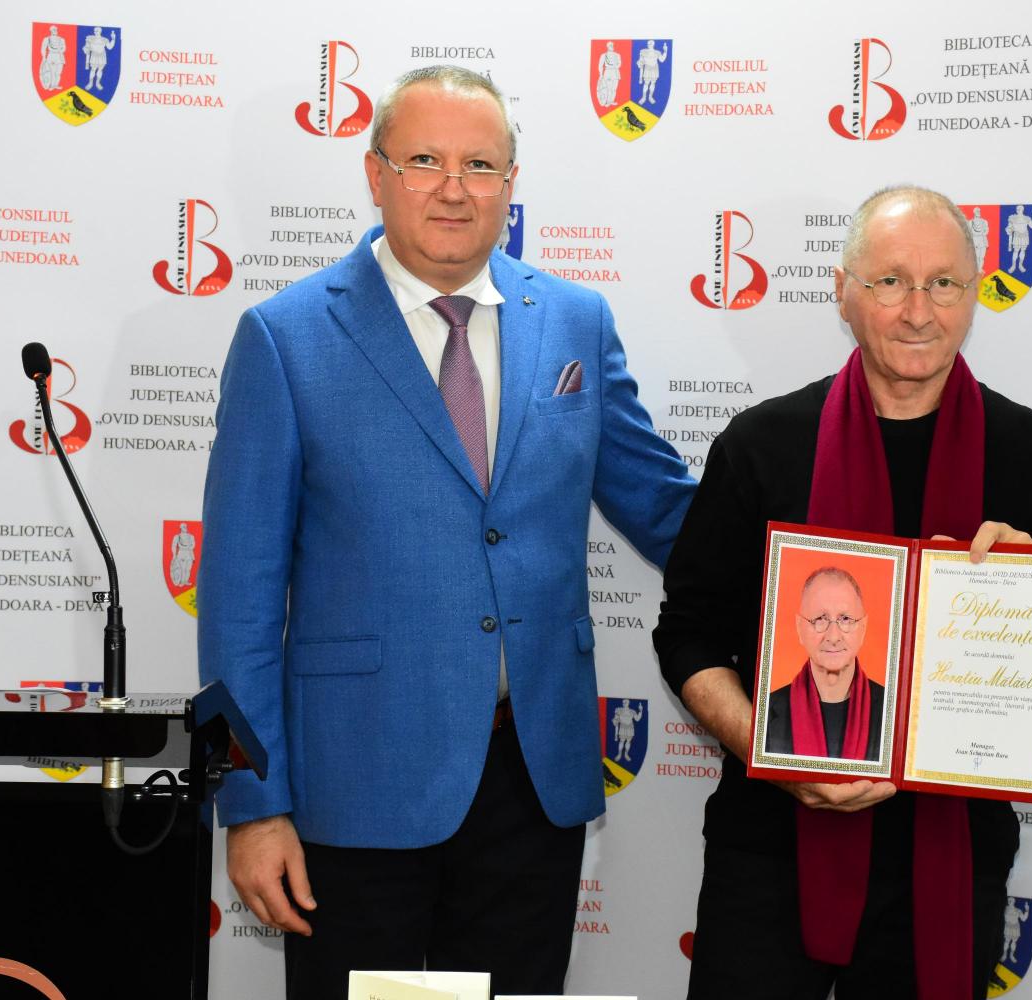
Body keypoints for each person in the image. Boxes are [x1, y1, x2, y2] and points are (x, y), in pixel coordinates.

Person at [199, 65, 693, 1000]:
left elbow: (669, 512)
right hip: (355, 789)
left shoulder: (576, 323)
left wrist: (837, 558)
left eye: (480, 164)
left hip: (532, 783)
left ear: (512, 182)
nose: (455, 189)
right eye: (424, 161)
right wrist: (253, 804)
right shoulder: (285, 337)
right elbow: (237, 603)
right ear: (375, 173)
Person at [653, 185, 1032, 999]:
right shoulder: (761, 445)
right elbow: (687, 635)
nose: (919, 311)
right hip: (771, 850)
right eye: (891, 281)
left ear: (975, 295)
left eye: (944, 283)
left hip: (950, 859)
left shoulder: (1029, 450)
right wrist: (773, 752)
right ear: (843, 291)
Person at [764, 566, 885, 760]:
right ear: (799, 628)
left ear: (863, 628)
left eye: (845, 619)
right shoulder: (765, 712)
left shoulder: (892, 711)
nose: (833, 636)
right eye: (820, 619)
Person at [38, 25, 66, 91]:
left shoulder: (61, 39)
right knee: (52, 72)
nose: (55, 31)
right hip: (51, 56)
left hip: (60, 56)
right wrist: (44, 57)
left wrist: (60, 50)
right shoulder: (47, 39)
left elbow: (64, 48)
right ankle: (52, 85)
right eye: (53, 30)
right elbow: (43, 48)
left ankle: (56, 85)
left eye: (55, 29)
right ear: (50, 31)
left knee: (58, 73)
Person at [595, 41, 622, 107]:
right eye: (610, 45)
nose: (611, 46)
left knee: (614, 89)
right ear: (607, 47)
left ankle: (611, 101)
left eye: (612, 45)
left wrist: (616, 66)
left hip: (615, 72)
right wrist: (601, 74)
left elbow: (619, 63)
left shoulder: (617, 55)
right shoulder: (604, 55)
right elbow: (600, 65)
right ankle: (608, 101)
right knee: (608, 88)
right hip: (608, 72)